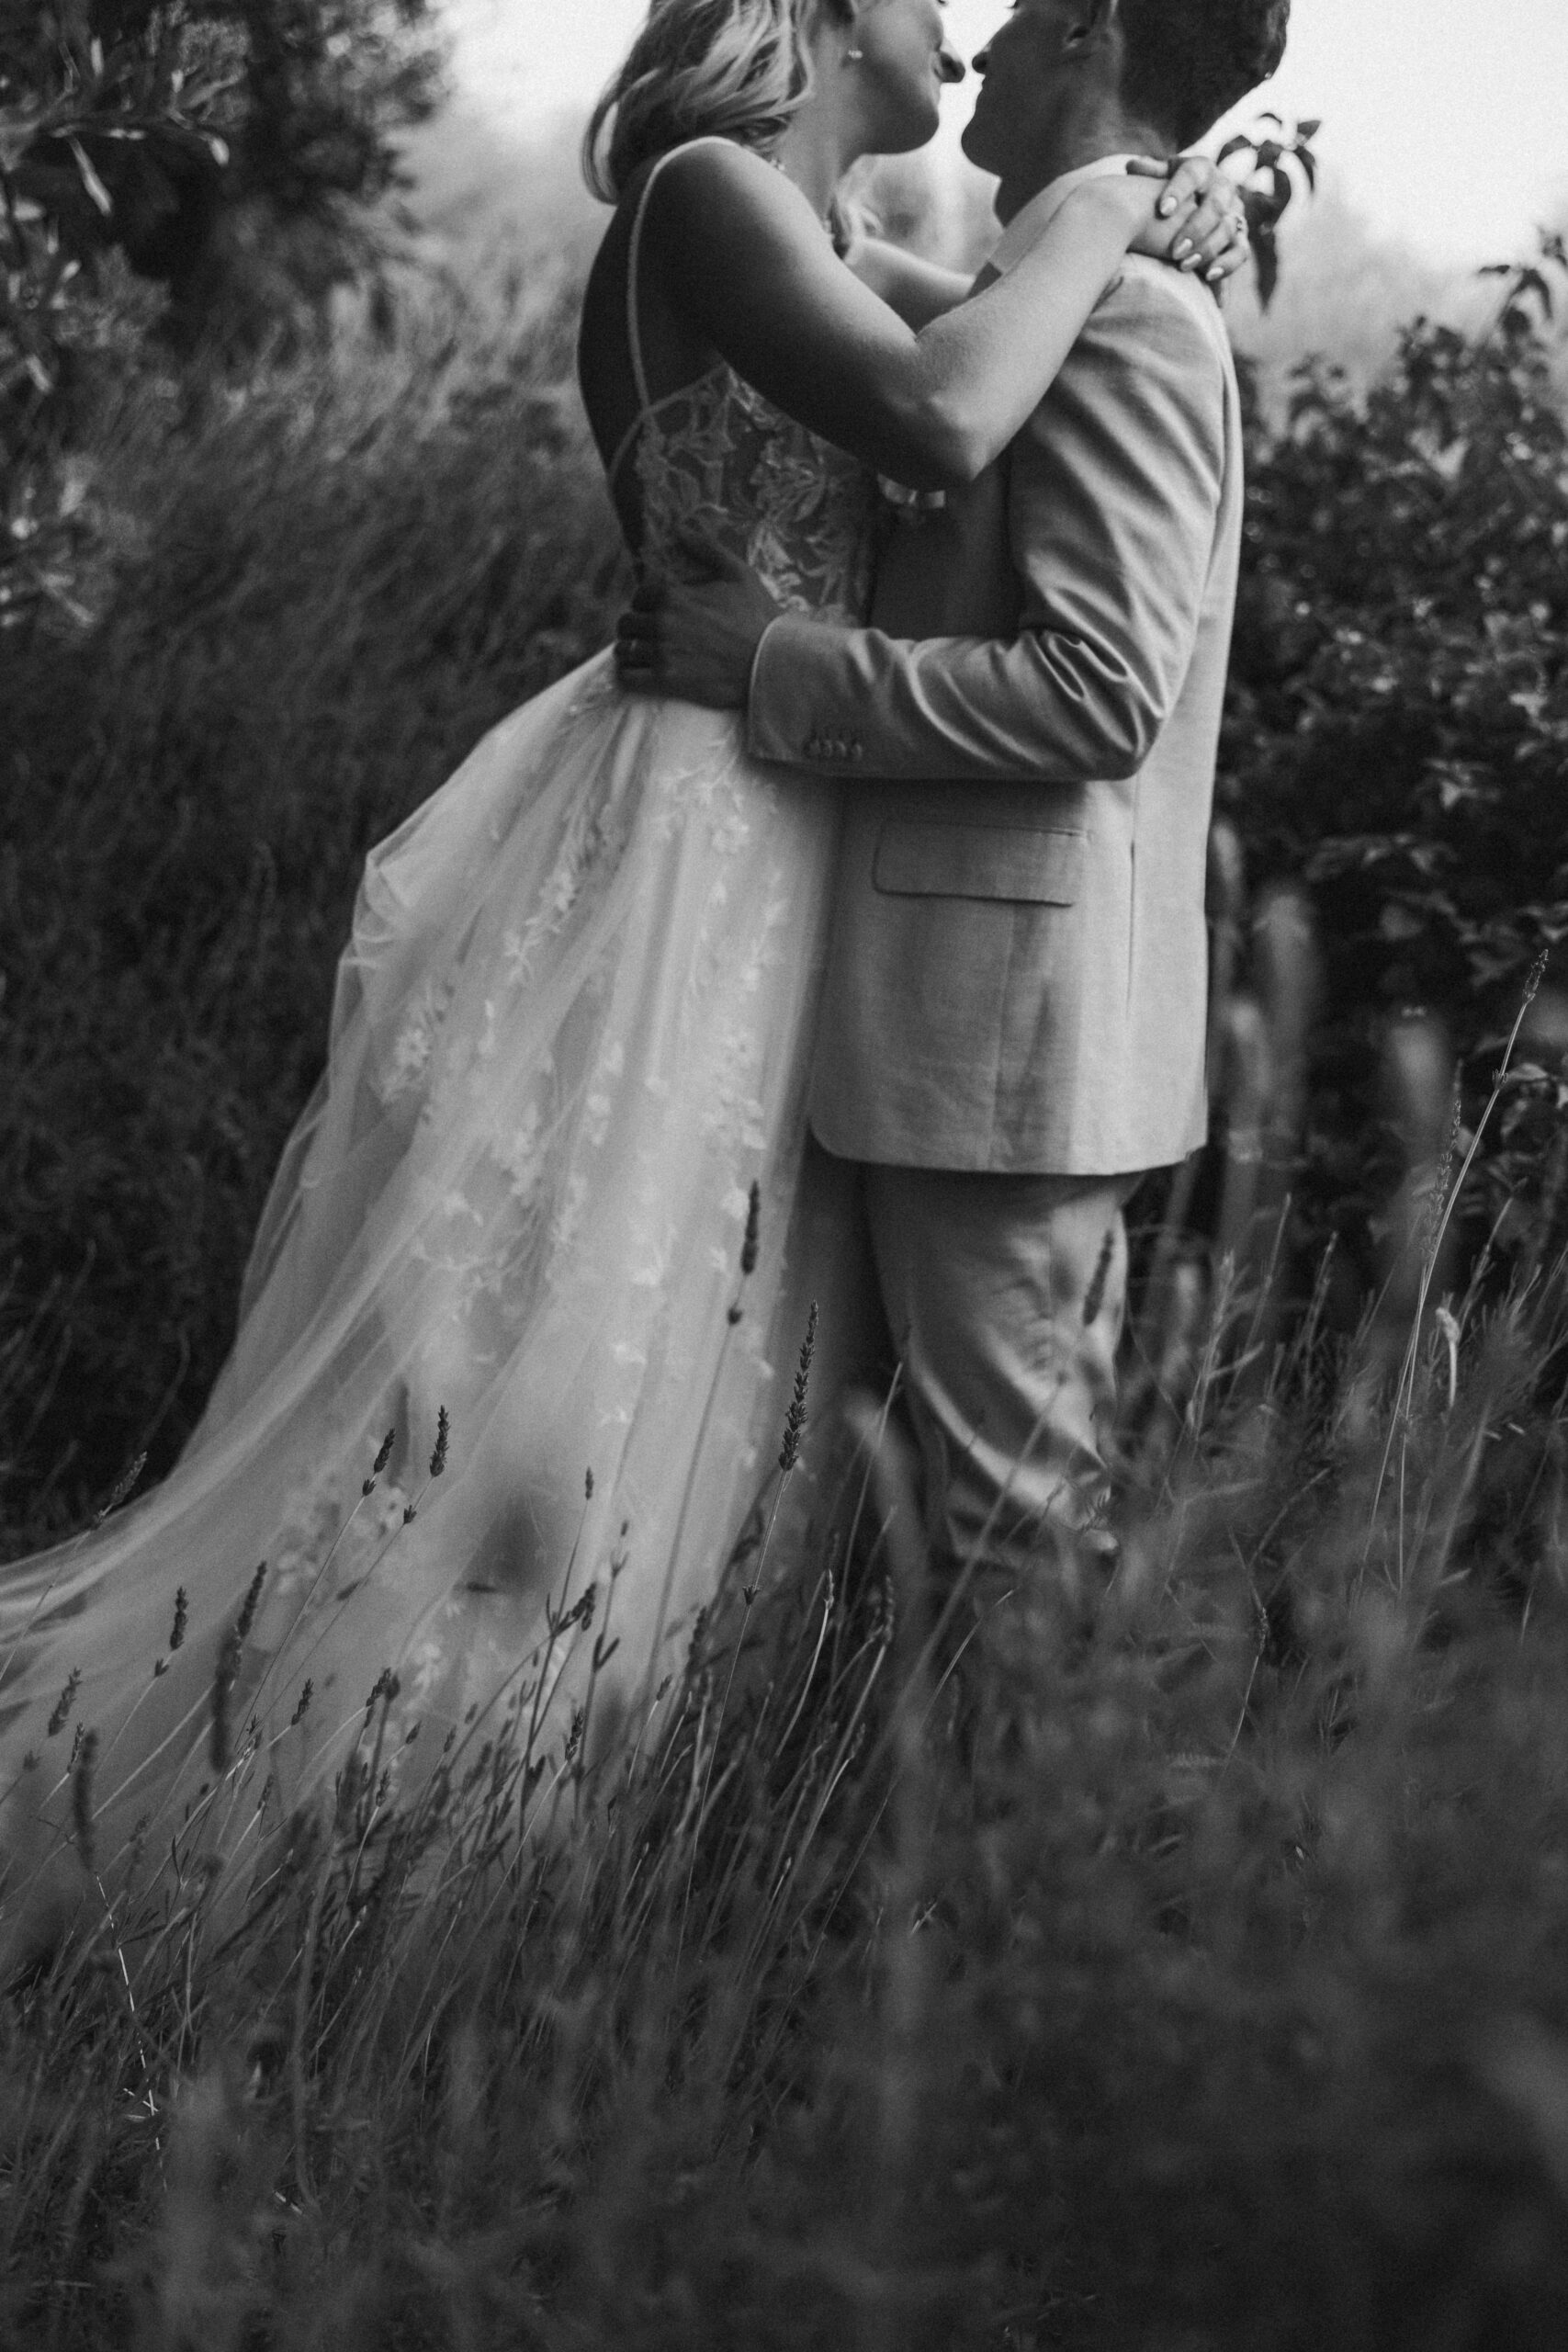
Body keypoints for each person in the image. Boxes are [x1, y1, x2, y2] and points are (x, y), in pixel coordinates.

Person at [0, 0, 1247, 1951]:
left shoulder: (817, 242)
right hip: (691, 818)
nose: (965, 25)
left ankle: (575, 1827)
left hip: (790, 832)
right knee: (544, 1335)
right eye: (928, 1)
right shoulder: (707, 193)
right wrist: (1120, 201)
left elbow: (974, 357)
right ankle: (371, 1829)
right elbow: (942, 411)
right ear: (827, 14)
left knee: (691, 1352)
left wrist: (1145, 216)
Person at [616, 0, 1291, 1574]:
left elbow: (1100, 691)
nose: (980, 33)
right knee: (944, 1505)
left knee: (1016, 1528)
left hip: (1001, 1038)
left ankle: (1064, 1831)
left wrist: (777, 660)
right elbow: (918, 365)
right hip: (923, 1002)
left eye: (1015, 3)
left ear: (1094, 27)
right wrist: (1148, 186)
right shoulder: (1036, 289)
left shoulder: (1119, 310)